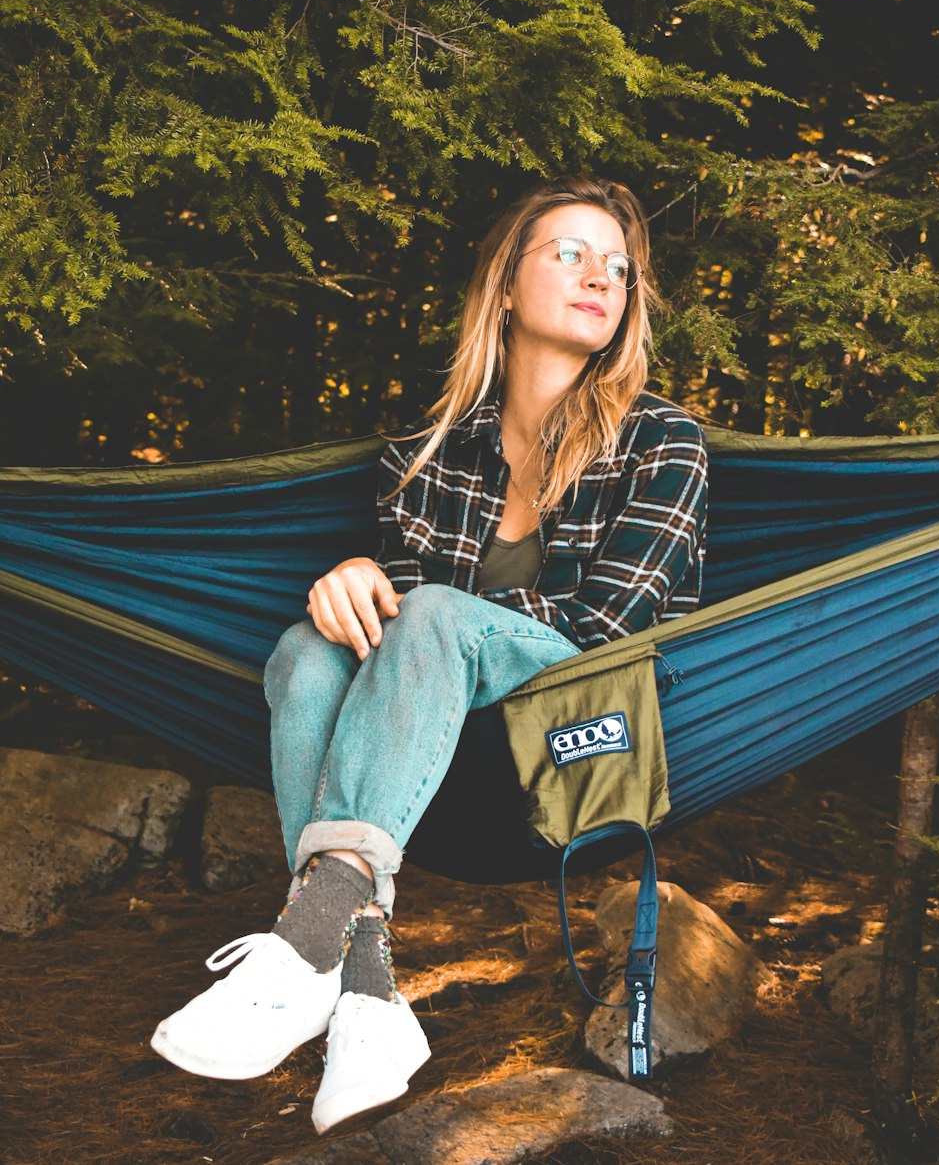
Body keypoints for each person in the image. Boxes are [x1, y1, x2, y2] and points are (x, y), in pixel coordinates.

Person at [151, 175, 708, 1133]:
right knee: (305, 647)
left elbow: (612, 624)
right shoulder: (430, 451)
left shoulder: (664, 441)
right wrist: (359, 576)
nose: (600, 278)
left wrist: (424, 606)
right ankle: (367, 992)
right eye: (569, 253)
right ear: (504, 286)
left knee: (438, 615)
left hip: (581, 736)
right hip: (436, 748)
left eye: (618, 267)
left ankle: (307, 941)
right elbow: (397, 634)